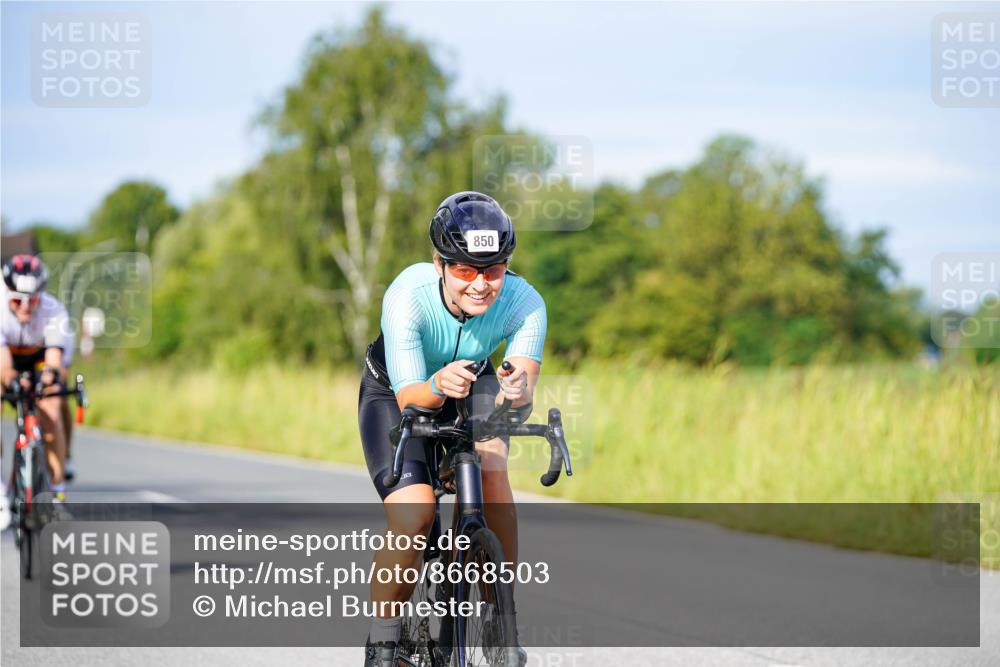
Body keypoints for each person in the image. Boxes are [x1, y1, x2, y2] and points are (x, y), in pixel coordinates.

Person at [358, 192, 546, 666]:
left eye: (494, 269)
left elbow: (519, 396)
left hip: (473, 379)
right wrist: (438, 384)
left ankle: (499, 618)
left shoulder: (526, 302)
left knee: (493, 467)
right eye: (464, 270)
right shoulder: (407, 295)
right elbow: (411, 400)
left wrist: (516, 388)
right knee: (414, 515)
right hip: (400, 391)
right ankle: (384, 641)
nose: (480, 284)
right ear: (439, 264)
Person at [1, 255, 76, 506]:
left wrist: (47, 379)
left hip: (40, 359)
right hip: (6, 358)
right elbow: (3, 365)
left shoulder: (53, 310)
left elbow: (54, 360)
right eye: (17, 300)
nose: (25, 307)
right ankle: (2, 491)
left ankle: (57, 491)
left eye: (32, 300)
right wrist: (11, 379)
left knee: (53, 404)